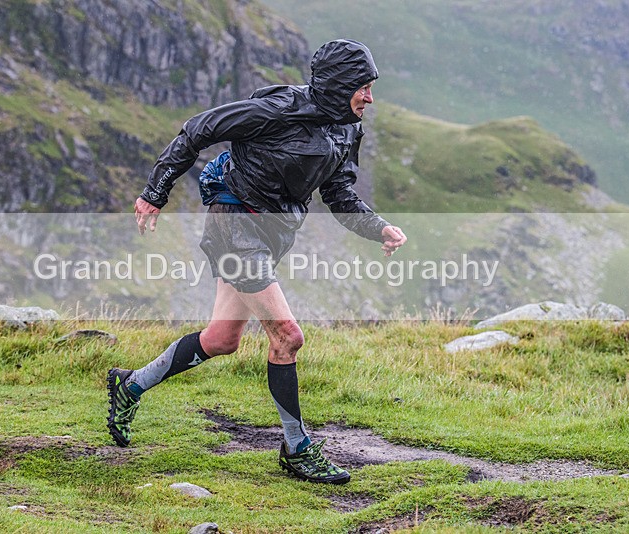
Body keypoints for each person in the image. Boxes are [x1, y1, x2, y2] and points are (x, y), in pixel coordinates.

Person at [106, 39, 407, 485]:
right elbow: (197, 130)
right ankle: (297, 449)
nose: (369, 97)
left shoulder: (346, 128)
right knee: (287, 336)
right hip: (234, 223)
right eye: (362, 87)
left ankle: (129, 386)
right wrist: (155, 192)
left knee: (222, 338)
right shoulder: (278, 109)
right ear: (340, 84)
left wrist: (377, 227)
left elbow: (339, 193)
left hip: (272, 234)